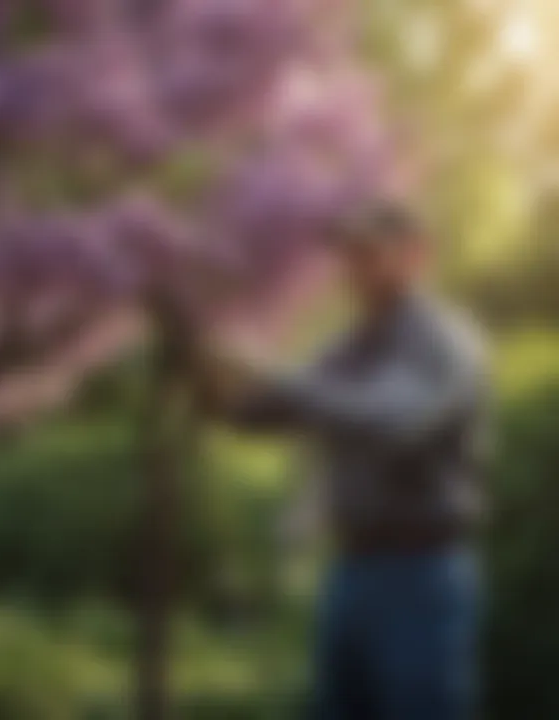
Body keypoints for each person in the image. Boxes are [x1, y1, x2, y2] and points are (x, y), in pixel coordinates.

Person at [198, 202, 490, 719]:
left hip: (419, 572)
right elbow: (270, 411)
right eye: (349, 254)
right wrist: (210, 375)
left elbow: (393, 416)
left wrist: (271, 373)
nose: (354, 265)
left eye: (370, 252)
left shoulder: (441, 340)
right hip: (353, 569)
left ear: (416, 255)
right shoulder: (351, 345)